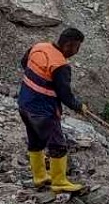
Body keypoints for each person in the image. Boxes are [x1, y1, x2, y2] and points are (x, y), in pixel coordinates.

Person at [18, 27, 87, 193]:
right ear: (69, 45)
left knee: (36, 141)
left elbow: (23, 63)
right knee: (58, 145)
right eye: (77, 47)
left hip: (24, 104)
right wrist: (79, 106)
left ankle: (40, 177)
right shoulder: (60, 65)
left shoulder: (39, 47)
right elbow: (65, 95)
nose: (76, 51)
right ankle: (59, 182)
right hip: (43, 110)